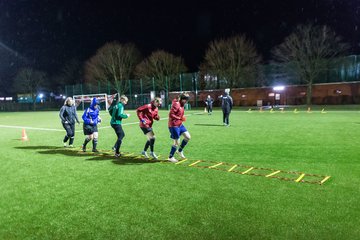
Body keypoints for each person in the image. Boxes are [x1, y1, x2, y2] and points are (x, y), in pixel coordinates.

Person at [167, 93, 191, 163]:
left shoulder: (182, 104)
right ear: (182, 99)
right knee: (177, 142)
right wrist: (180, 118)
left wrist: (181, 119)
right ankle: (170, 157)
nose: (186, 101)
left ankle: (179, 151)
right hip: (173, 125)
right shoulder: (176, 104)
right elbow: (171, 114)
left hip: (180, 124)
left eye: (187, 100)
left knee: (188, 137)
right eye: (185, 100)